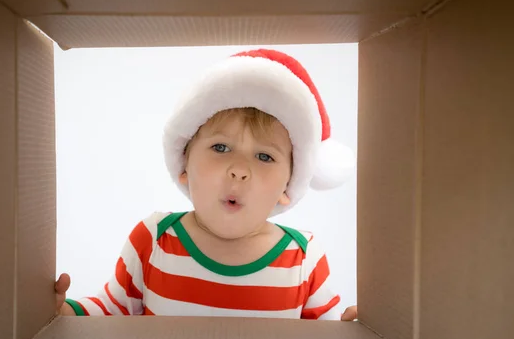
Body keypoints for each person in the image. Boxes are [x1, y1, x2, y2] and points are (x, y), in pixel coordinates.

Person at [54, 48, 358, 321]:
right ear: (184, 164)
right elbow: (113, 309)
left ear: (288, 186)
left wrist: (351, 333)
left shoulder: (303, 258)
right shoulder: (154, 240)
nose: (239, 170)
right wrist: (63, 311)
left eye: (264, 156)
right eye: (221, 148)